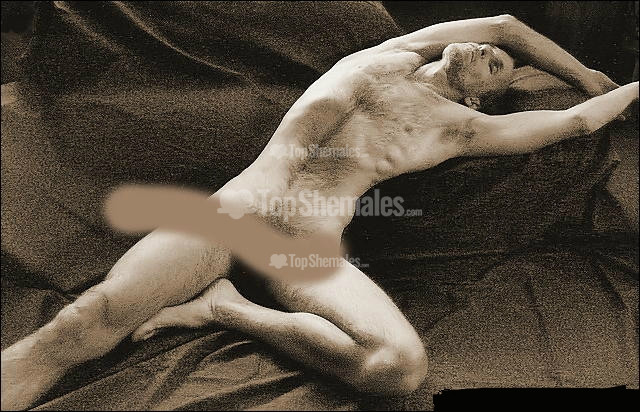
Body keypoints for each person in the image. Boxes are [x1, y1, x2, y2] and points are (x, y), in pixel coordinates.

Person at [2, 14, 638, 410]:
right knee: (84, 320)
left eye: (495, 67)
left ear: (486, 97)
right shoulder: (389, 55)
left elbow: (577, 123)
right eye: (481, 47)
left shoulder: (462, 130)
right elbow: (504, 25)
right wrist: (574, 67)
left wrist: (614, 88)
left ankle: (225, 307)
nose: (482, 52)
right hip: (234, 213)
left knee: (398, 369)